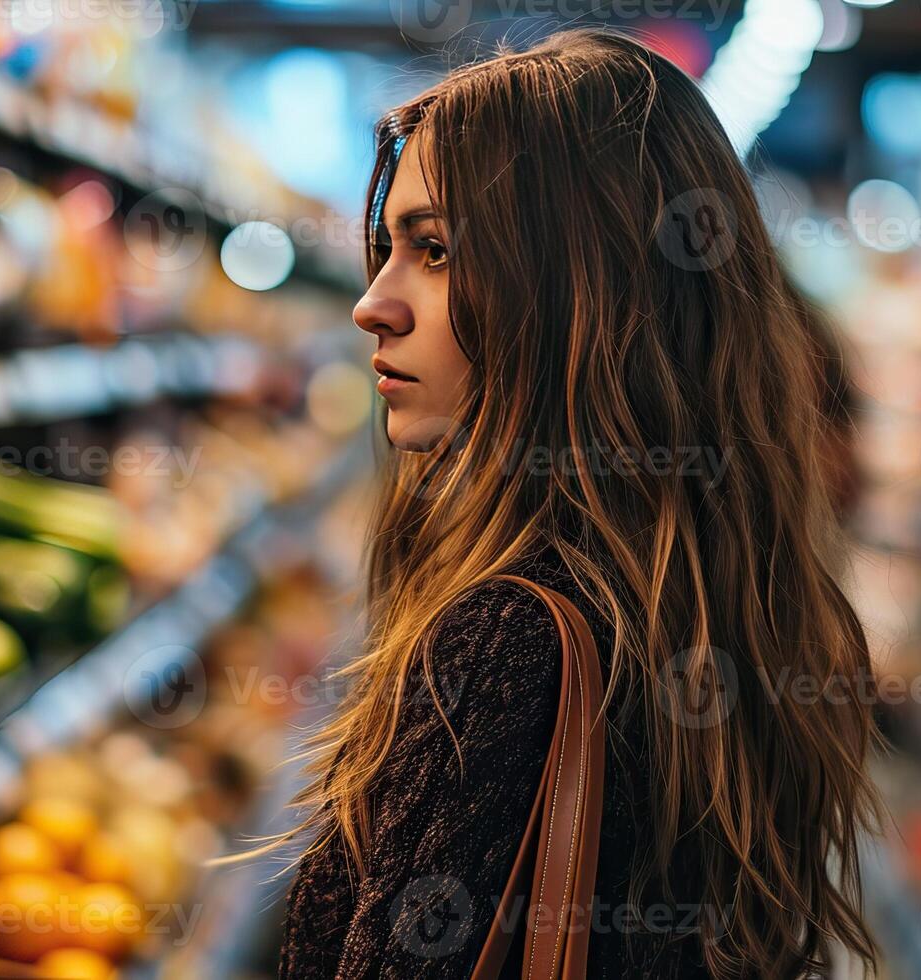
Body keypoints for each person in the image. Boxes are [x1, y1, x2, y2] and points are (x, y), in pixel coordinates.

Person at [274, 29, 881, 979]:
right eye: (388, 249)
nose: (373, 303)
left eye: (434, 251)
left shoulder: (511, 637)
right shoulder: (718, 599)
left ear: (576, 286)